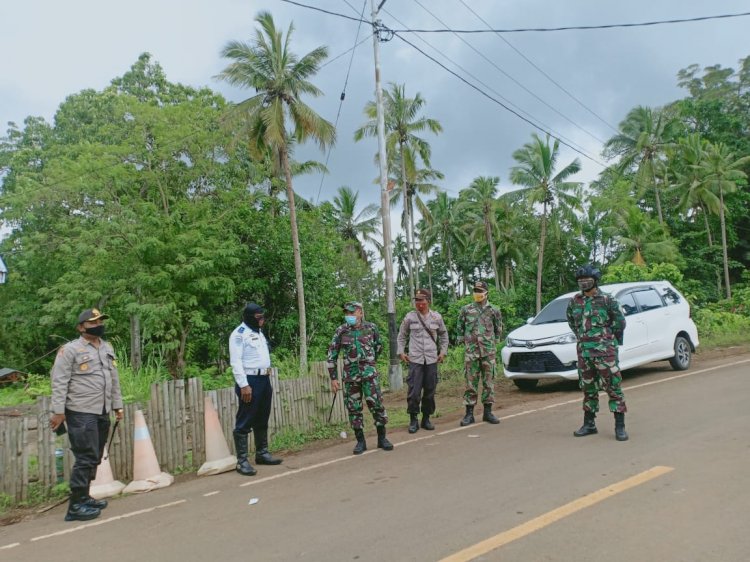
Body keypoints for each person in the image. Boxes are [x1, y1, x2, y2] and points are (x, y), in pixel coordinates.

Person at [50, 308, 124, 522]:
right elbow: (59, 382)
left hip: (102, 409)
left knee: (95, 455)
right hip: (81, 411)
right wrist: (58, 412)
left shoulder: (106, 347)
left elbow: (114, 379)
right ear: (81, 327)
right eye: (93, 322)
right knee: (85, 457)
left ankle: (85, 497)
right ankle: (75, 506)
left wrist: (117, 406)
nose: (98, 324)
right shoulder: (70, 350)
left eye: (100, 321)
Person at [566, 264, 628, 441]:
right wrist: (584, 338)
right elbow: (572, 322)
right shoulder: (574, 301)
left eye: (587, 280)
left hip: (605, 352)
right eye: (580, 281)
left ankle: (620, 426)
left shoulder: (608, 300)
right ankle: (589, 424)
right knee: (588, 389)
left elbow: (619, 323)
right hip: (584, 353)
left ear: (595, 281)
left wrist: (607, 340)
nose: (583, 283)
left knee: (613, 387)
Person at [327, 301, 393, 455]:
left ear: (360, 313)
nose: (349, 316)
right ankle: (360, 441)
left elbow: (378, 347)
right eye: (347, 313)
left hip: (369, 376)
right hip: (350, 377)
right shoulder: (341, 331)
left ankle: (382, 438)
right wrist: (333, 378)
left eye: (352, 312)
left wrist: (369, 364)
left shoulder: (371, 328)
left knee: (376, 405)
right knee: (354, 409)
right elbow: (332, 355)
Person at [229, 302, 282, 476]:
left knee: (262, 417)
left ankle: (262, 453)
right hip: (250, 380)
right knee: (245, 419)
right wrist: (244, 385)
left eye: (262, 316)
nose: (262, 320)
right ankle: (242, 461)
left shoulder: (258, 333)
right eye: (259, 317)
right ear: (250, 317)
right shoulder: (239, 335)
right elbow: (236, 362)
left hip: (264, 379)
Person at [397, 288, 449, 433]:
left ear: (428, 301)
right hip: (415, 359)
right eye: (417, 300)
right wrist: (401, 352)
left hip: (432, 359)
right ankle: (413, 419)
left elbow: (444, 335)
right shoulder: (409, 317)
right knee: (414, 391)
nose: (419, 303)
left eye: (422, 300)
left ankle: (426, 418)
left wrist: (443, 352)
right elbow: (401, 336)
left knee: (430, 390)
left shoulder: (436, 317)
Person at [456, 281, 503, 426]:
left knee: (489, 382)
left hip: (488, 352)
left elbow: (498, 329)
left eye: (480, 291)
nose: (477, 293)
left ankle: (487, 413)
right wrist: (466, 342)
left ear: (486, 293)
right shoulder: (466, 310)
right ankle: (469, 414)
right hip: (472, 352)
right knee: (471, 383)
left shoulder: (494, 310)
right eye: (475, 290)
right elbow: (460, 328)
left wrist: (492, 342)